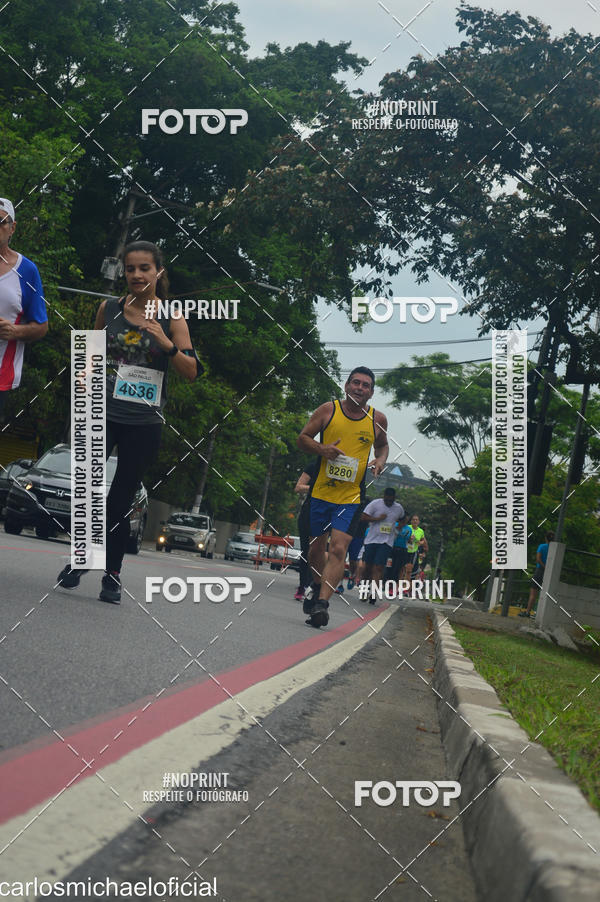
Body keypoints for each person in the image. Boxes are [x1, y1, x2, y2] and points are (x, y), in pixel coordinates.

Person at [57, 240, 200, 603]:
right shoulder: (108, 309)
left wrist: (166, 343)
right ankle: (81, 560)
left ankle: (112, 573)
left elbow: (191, 371)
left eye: (144, 269)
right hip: (103, 413)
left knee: (119, 500)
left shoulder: (173, 317)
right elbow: (88, 357)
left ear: (158, 273)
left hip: (143, 423)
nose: (136, 275)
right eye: (131, 268)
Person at [297, 366, 389, 627]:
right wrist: (321, 448)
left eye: (366, 385)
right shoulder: (328, 410)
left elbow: (382, 445)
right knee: (316, 549)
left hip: (350, 496)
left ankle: (322, 604)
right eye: (356, 383)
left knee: (339, 548)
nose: (360, 388)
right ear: (347, 386)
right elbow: (302, 438)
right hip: (321, 492)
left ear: (371, 392)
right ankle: (317, 586)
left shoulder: (377, 419)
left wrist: (380, 460)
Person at [0, 198, 48, 419]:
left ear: (12, 228)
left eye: (2, 222)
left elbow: (41, 326)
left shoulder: (27, 270)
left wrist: (15, 331)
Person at [359, 488, 405, 603]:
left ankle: (373, 593)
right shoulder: (375, 504)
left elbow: (404, 518)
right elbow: (363, 517)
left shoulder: (398, 508)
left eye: (391, 500)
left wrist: (398, 528)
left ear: (394, 498)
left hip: (386, 542)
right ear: (384, 496)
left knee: (379, 567)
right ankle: (364, 590)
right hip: (372, 540)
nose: (389, 502)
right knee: (368, 567)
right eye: (387, 500)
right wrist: (377, 519)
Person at [293, 459, 319, 601]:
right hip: (309, 512)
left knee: (318, 552)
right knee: (306, 552)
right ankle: (302, 586)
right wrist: (315, 488)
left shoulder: (342, 470)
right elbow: (298, 487)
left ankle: (314, 586)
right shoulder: (313, 466)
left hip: (329, 515)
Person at [519, 531, 555, 618]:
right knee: (544, 594)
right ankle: (538, 614)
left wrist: (544, 567)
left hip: (540, 571)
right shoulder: (554, 548)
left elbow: (538, 559)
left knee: (533, 593)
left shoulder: (542, 546)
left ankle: (528, 612)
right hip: (549, 573)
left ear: (545, 538)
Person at [403, 514, 428, 591]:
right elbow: (402, 536)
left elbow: (423, 540)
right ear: (411, 521)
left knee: (409, 570)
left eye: (416, 520)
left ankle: (405, 589)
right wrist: (408, 538)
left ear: (419, 522)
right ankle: (397, 586)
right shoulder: (407, 527)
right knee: (402, 569)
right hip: (404, 550)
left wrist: (421, 543)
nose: (415, 521)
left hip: (413, 552)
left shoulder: (421, 531)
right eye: (413, 519)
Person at [388, 514, 412, 585]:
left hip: (402, 549)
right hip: (392, 548)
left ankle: (393, 584)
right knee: (389, 566)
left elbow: (407, 539)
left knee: (398, 568)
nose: (406, 520)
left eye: (407, 519)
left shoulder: (408, 529)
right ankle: (385, 581)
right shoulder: (394, 524)